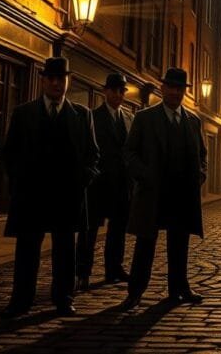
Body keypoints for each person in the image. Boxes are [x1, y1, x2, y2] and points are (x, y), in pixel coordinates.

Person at [0, 56, 99, 318]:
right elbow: (9, 153)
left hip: (67, 196)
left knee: (65, 251)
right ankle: (21, 300)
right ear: (42, 80)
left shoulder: (82, 114)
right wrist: (19, 183)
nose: (56, 83)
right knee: (27, 251)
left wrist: (83, 180)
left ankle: (63, 298)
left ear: (69, 81)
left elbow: (92, 155)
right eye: (51, 78)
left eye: (61, 78)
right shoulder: (24, 113)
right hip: (32, 195)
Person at [121, 67, 208, 309]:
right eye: (171, 87)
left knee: (179, 244)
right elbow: (129, 152)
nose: (175, 92)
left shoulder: (193, 120)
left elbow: (202, 154)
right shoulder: (145, 118)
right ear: (163, 88)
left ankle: (179, 288)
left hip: (181, 194)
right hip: (152, 193)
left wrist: (200, 173)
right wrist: (144, 175)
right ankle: (135, 291)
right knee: (145, 244)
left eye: (180, 88)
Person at [77, 72, 134, 290]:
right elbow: (87, 149)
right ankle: (83, 272)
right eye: (115, 90)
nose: (119, 94)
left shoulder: (129, 118)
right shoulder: (92, 116)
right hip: (98, 186)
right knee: (89, 231)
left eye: (122, 91)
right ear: (106, 91)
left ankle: (114, 269)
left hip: (121, 186)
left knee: (118, 230)